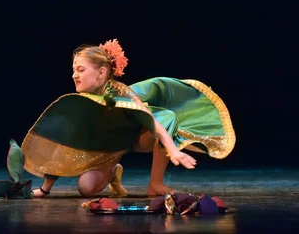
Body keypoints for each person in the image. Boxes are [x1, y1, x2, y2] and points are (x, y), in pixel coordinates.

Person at [20, 39, 234, 198]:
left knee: (166, 117)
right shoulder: (81, 102)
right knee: (86, 189)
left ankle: (155, 184)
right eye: (73, 70)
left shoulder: (121, 93)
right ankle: (113, 173)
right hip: (105, 153)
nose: (74, 75)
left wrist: (174, 149)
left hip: (135, 138)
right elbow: (65, 143)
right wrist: (45, 189)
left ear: (101, 73)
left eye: (80, 70)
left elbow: (153, 122)